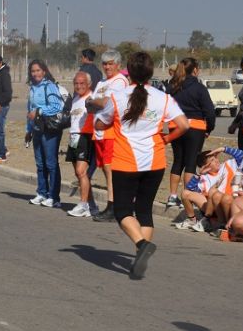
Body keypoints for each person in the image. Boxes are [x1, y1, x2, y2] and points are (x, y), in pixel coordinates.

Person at [94, 51, 189, 279]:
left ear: (128, 71)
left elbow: (100, 122)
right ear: (151, 71)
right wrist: (166, 138)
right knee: (144, 210)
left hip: (126, 162)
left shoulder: (117, 97)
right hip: (155, 161)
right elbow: (184, 124)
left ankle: (141, 245)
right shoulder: (163, 97)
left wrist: (101, 120)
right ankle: (140, 255)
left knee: (122, 211)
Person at [164, 58, 215, 219]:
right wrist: (209, 128)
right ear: (195, 70)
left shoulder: (173, 86)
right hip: (195, 127)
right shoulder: (199, 88)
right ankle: (188, 195)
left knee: (178, 161)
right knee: (191, 162)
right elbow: (209, 110)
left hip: (176, 126)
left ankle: (172, 195)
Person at [86, 50, 130, 221]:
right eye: (105, 63)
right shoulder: (103, 82)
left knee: (110, 169)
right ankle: (114, 205)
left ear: (118, 64)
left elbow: (105, 103)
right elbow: (90, 104)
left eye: (111, 63)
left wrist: (93, 102)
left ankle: (113, 206)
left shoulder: (119, 81)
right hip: (99, 132)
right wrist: (93, 102)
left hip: (111, 131)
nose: (107, 67)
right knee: (106, 170)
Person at [25, 60, 64, 208]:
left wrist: (40, 111)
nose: (35, 73)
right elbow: (29, 111)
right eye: (33, 71)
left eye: (38, 70)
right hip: (36, 129)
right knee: (40, 163)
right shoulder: (32, 88)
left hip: (50, 129)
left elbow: (56, 106)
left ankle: (54, 197)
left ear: (44, 71)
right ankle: (42, 193)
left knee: (51, 163)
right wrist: (28, 130)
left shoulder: (50, 86)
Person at [180, 147, 243, 232]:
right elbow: (190, 189)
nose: (217, 161)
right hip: (213, 207)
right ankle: (192, 220)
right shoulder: (204, 177)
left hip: (228, 202)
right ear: (206, 166)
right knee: (185, 193)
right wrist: (198, 174)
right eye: (212, 161)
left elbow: (242, 154)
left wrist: (223, 149)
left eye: (216, 158)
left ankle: (208, 220)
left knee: (214, 192)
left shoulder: (228, 165)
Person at [66, 71, 96, 217]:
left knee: (81, 171)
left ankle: (84, 205)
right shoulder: (76, 98)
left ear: (88, 84)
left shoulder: (92, 98)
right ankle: (90, 205)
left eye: (82, 83)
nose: (79, 86)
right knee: (79, 174)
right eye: (76, 83)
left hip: (85, 137)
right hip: (73, 137)